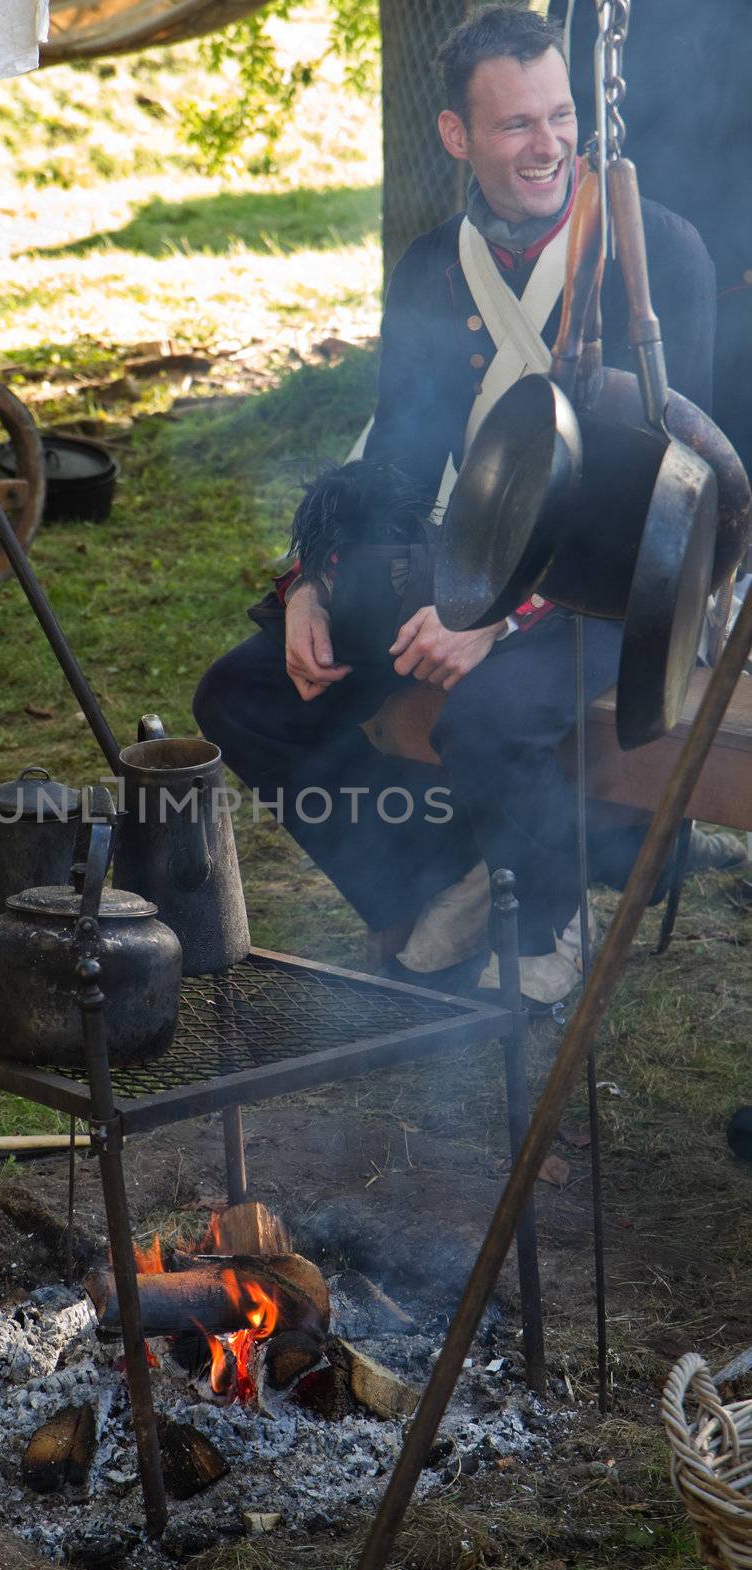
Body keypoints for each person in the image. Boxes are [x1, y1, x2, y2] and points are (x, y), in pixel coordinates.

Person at [194, 4, 741, 1006]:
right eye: (514, 125)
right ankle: (436, 876)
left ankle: (539, 921)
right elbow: (398, 463)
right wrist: (318, 584)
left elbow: (670, 497)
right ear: (456, 136)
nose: (548, 147)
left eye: (560, 117)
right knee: (244, 695)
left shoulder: (656, 254)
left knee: (486, 719)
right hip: (461, 561)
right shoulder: (427, 269)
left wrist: (494, 621)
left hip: (617, 588)